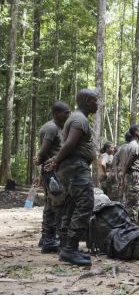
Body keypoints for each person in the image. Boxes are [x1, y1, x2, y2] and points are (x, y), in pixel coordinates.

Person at [44, 89, 98, 266]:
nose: (97, 104)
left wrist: (56, 161)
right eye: (96, 101)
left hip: (72, 167)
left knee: (71, 206)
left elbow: (69, 145)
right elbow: (69, 144)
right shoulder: (79, 119)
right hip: (76, 168)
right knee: (85, 204)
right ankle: (70, 248)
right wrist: (55, 161)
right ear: (88, 101)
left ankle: (68, 247)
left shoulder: (76, 118)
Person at [34, 102, 71, 253]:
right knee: (57, 205)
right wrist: (43, 171)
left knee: (50, 205)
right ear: (56, 113)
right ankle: (50, 239)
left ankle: (47, 238)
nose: (68, 115)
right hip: (53, 173)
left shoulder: (56, 128)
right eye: (66, 112)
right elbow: (43, 152)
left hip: (52, 172)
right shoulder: (51, 128)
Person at [120, 125, 139, 221]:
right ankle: (133, 225)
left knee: (129, 201)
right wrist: (124, 173)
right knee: (133, 203)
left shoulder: (128, 145)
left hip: (129, 174)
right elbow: (130, 160)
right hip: (133, 174)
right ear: (136, 133)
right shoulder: (135, 146)